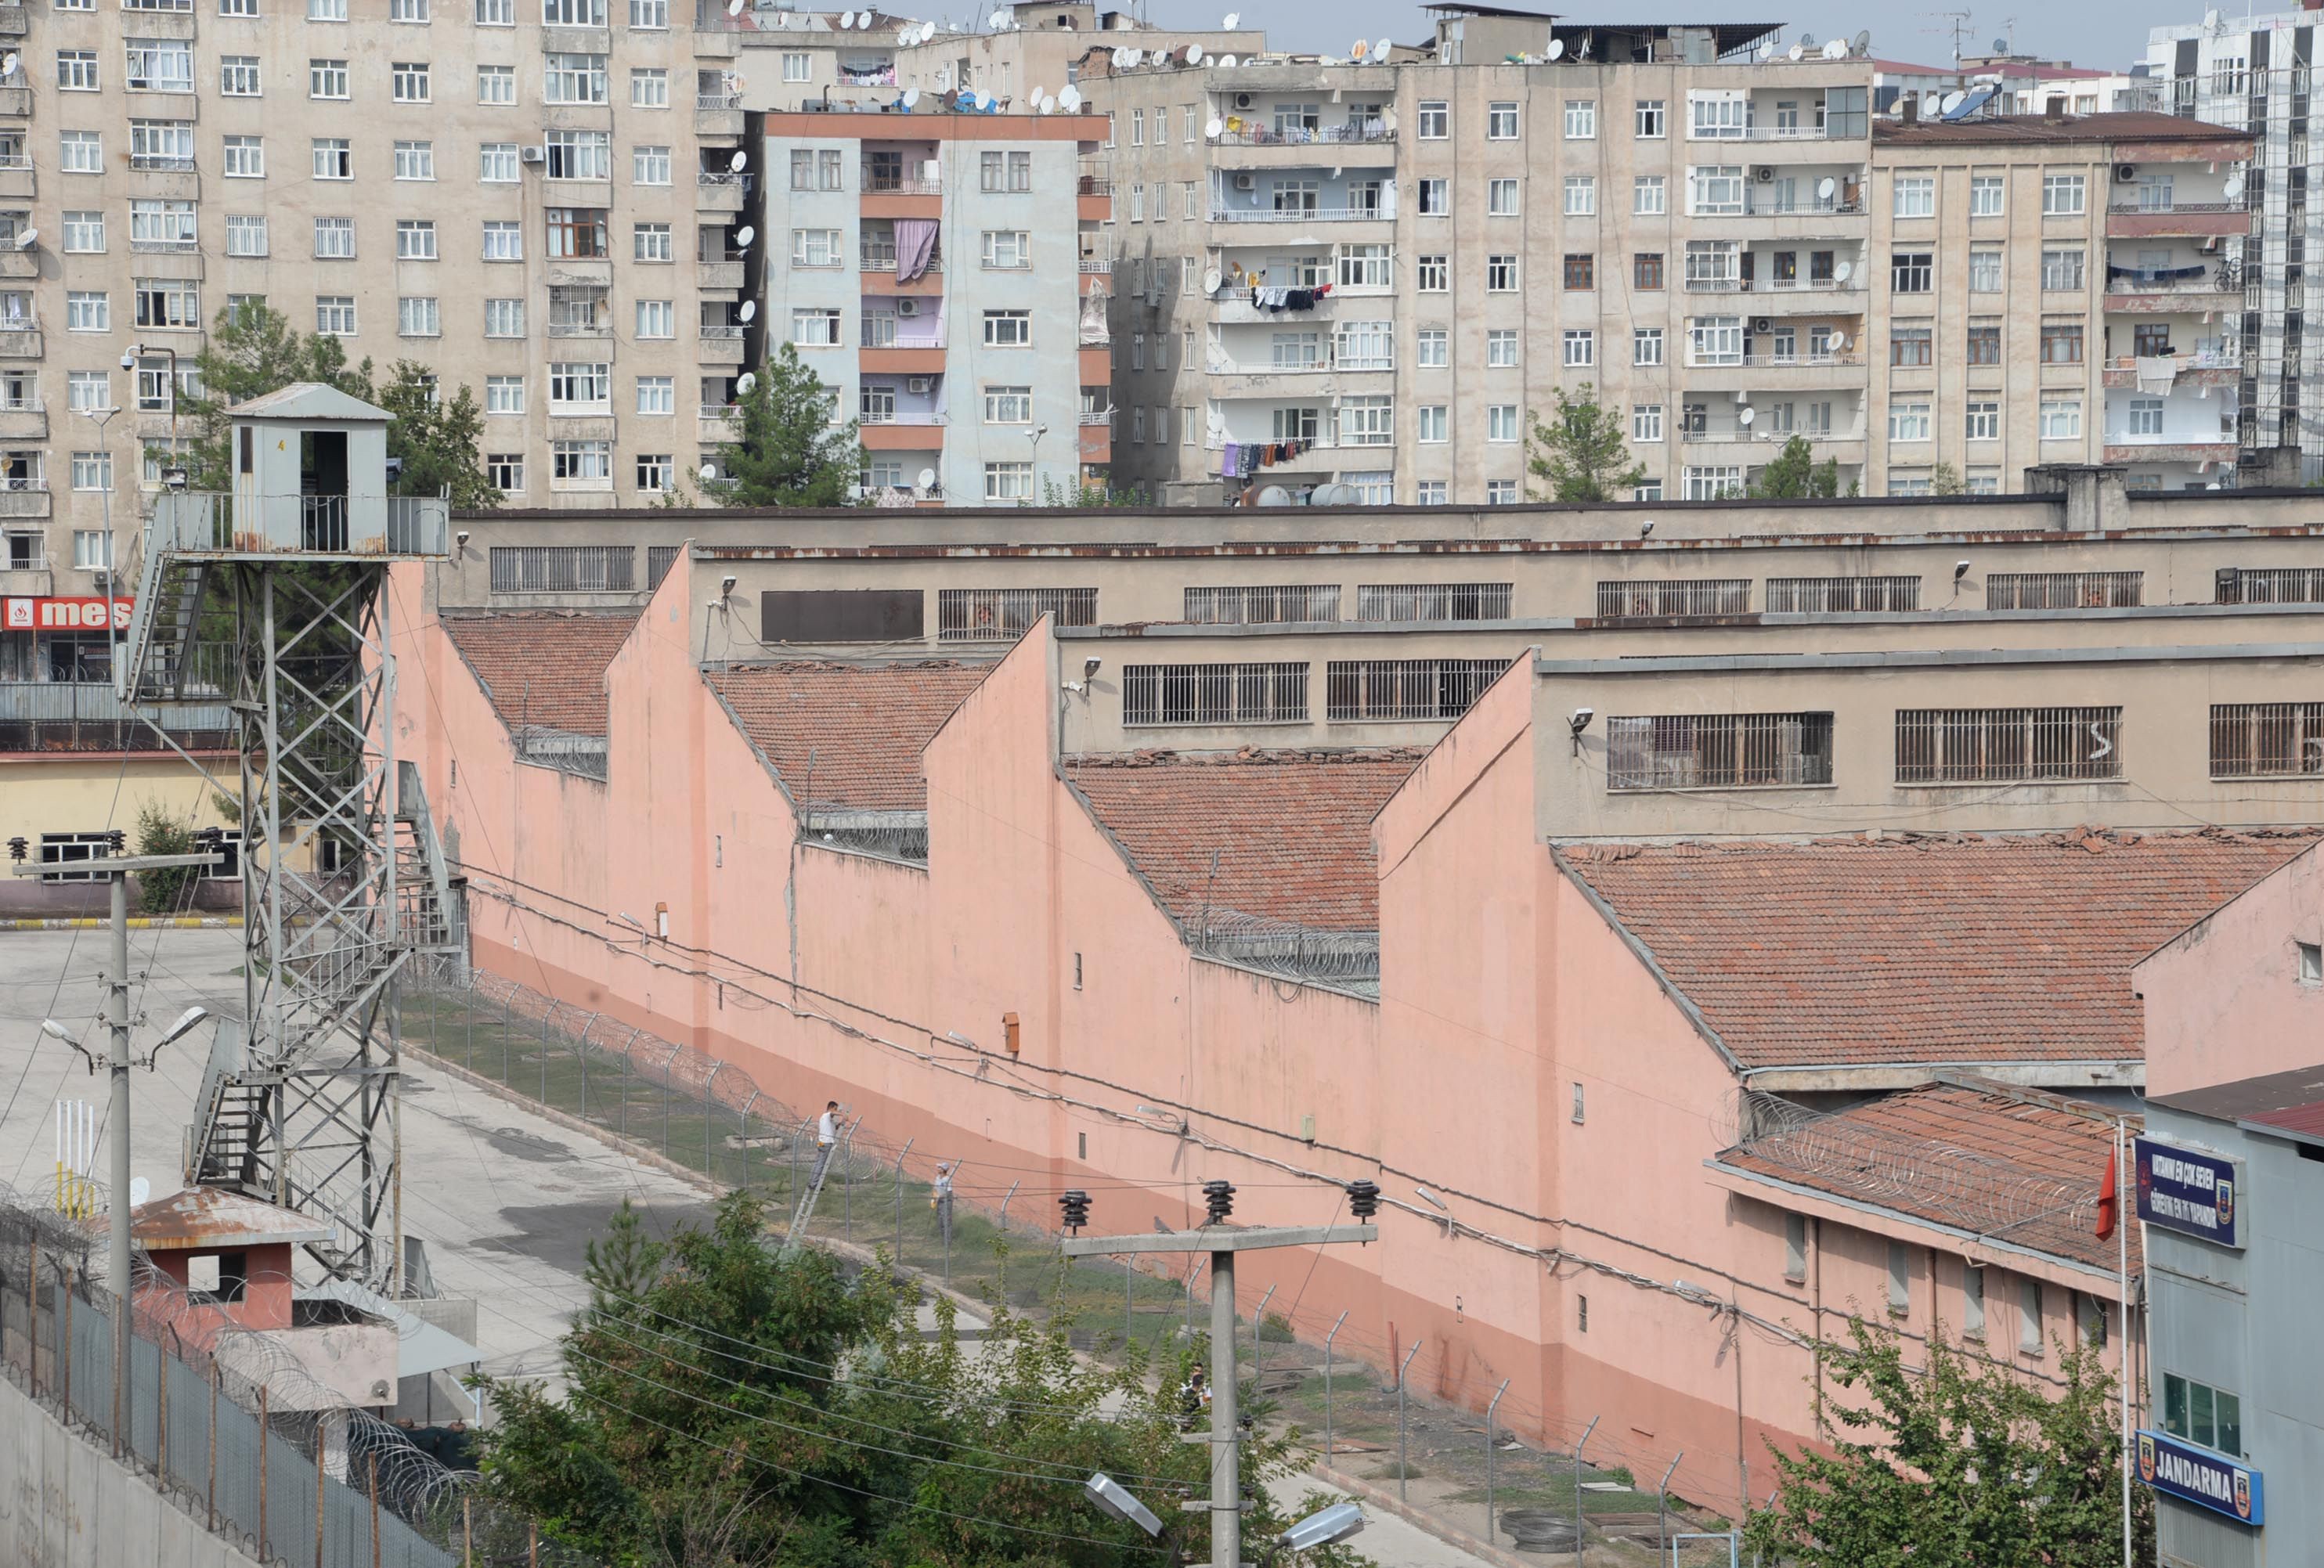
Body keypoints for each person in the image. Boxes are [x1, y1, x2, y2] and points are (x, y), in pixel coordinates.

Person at [810, 1101, 840, 1185]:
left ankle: (811, 1181)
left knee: (817, 1162)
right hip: (826, 1143)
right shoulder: (826, 1115)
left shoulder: (825, 1119)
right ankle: (814, 1183)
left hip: (821, 1143)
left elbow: (834, 1127)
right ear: (831, 1108)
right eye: (835, 1109)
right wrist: (843, 1114)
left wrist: (841, 1124)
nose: (836, 1111)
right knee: (821, 1164)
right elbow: (831, 1113)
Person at [930, 1161, 955, 1250]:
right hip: (939, 1202)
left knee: (946, 1222)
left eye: (940, 1167)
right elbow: (935, 1188)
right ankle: (943, 1239)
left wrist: (939, 1197)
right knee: (940, 1221)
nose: (938, 1169)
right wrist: (933, 1198)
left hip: (946, 1203)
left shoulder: (947, 1180)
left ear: (944, 1169)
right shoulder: (938, 1178)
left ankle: (948, 1243)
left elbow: (949, 1193)